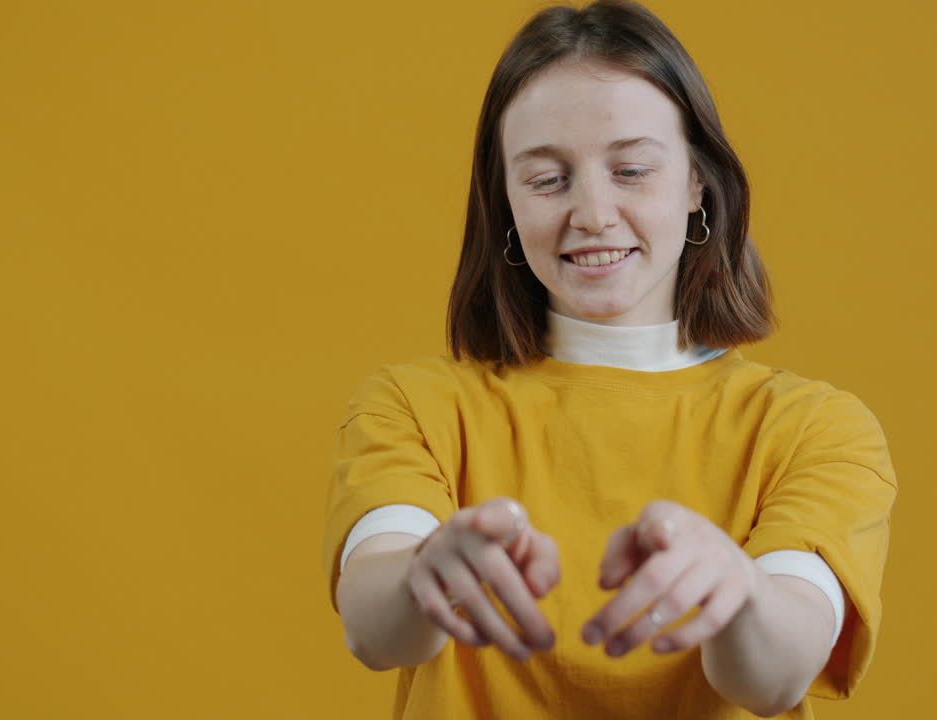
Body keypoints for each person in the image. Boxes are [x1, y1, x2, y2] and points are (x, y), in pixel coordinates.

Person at [322, 1, 898, 718]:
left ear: (697, 184)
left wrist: (737, 588)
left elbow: (774, 676)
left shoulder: (814, 429)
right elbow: (375, 630)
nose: (592, 212)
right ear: (503, 201)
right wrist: (421, 579)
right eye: (545, 179)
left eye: (630, 169)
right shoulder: (413, 406)